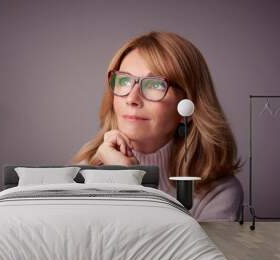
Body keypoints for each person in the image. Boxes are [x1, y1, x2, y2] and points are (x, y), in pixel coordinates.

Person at [71, 31, 244, 222]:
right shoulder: (82, 174)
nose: (132, 98)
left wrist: (130, 182)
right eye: (124, 81)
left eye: (154, 85)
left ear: (188, 105)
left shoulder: (218, 193)